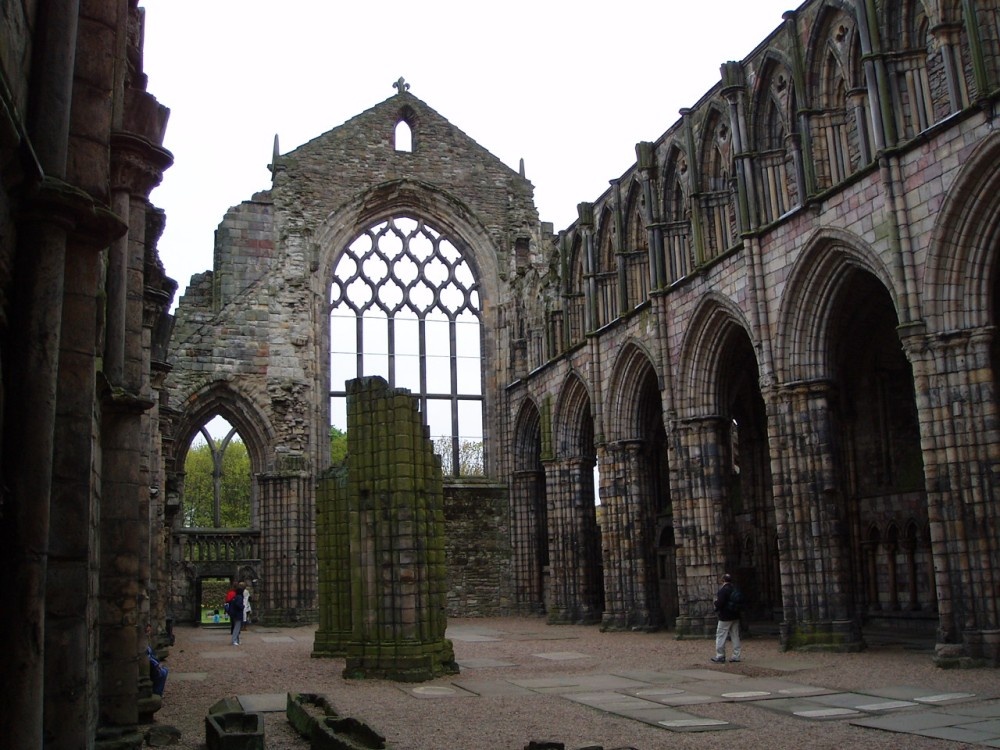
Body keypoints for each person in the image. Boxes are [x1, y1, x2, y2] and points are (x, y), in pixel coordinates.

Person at [711, 573, 742, 663]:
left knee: (721, 635)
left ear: (723, 581)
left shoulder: (723, 591)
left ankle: (720, 656)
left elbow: (720, 604)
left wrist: (715, 603)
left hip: (725, 617)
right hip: (735, 615)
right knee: (735, 635)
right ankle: (736, 656)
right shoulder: (734, 589)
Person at [146, 624, 168, 696]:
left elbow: (151, 655)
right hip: (148, 666)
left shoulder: (147, 642)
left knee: (165, 670)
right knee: (162, 672)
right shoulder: (142, 643)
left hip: (151, 664)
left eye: (149, 631)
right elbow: (147, 657)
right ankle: (157, 692)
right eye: (147, 631)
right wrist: (156, 664)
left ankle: (158, 691)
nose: (148, 633)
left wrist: (157, 663)